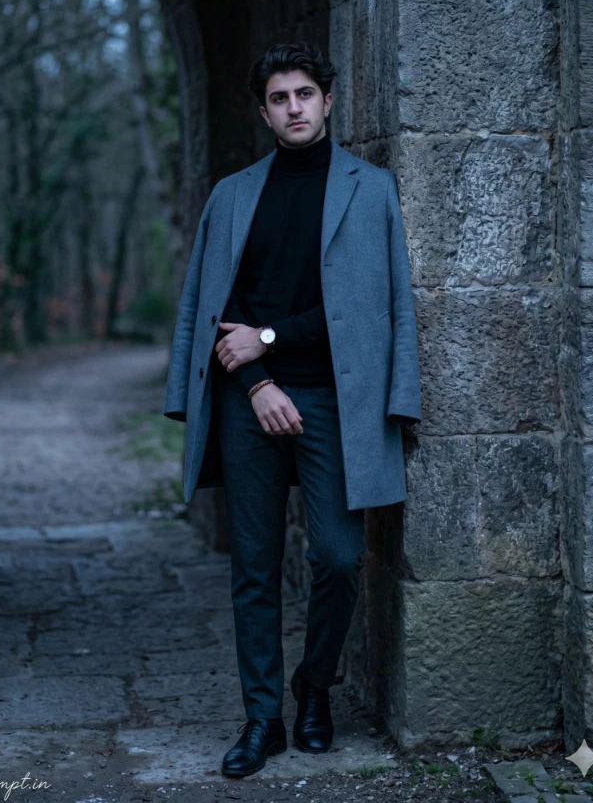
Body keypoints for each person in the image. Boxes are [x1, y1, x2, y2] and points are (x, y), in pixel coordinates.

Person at [163, 42, 422, 778]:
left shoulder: (371, 189)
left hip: (338, 399)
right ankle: (262, 719)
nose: (293, 108)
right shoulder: (232, 196)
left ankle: (314, 685)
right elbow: (213, 310)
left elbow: (384, 305)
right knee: (254, 566)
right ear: (264, 111)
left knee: (338, 557)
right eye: (278, 99)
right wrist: (257, 382)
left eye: (304, 94)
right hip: (249, 398)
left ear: (327, 100)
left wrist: (276, 340)